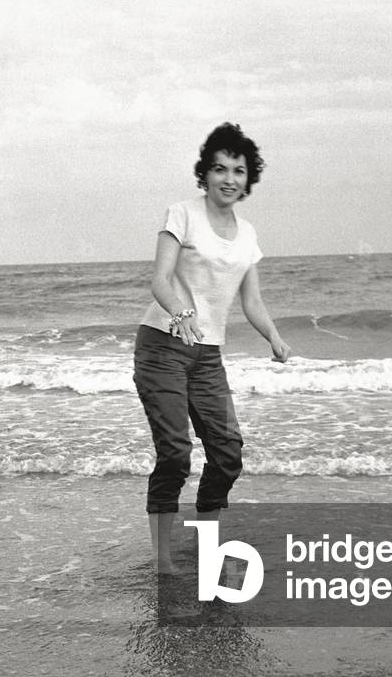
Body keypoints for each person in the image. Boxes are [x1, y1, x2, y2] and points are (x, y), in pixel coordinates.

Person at [133, 122, 291, 574]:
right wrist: (182, 315)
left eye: (238, 170)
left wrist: (274, 338)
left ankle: (208, 553)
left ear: (248, 179)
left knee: (226, 453)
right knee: (176, 452)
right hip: (163, 345)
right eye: (219, 168)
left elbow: (252, 300)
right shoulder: (182, 213)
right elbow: (160, 279)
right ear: (205, 174)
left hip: (207, 357)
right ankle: (163, 561)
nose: (229, 178)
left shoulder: (247, 234)